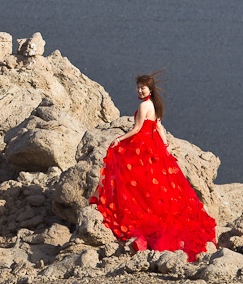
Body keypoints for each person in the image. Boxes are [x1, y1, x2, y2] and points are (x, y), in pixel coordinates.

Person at [89, 73, 216, 261]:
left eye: (143, 87)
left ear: (149, 89)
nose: (140, 90)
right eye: (138, 87)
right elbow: (158, 126)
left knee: (132, 178)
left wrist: (119, 139)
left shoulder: (143, 105)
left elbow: (137, 129)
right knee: (155, 185)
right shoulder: (155, 105)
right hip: (154, 145)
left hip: (142, 144)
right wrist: (165, 146)